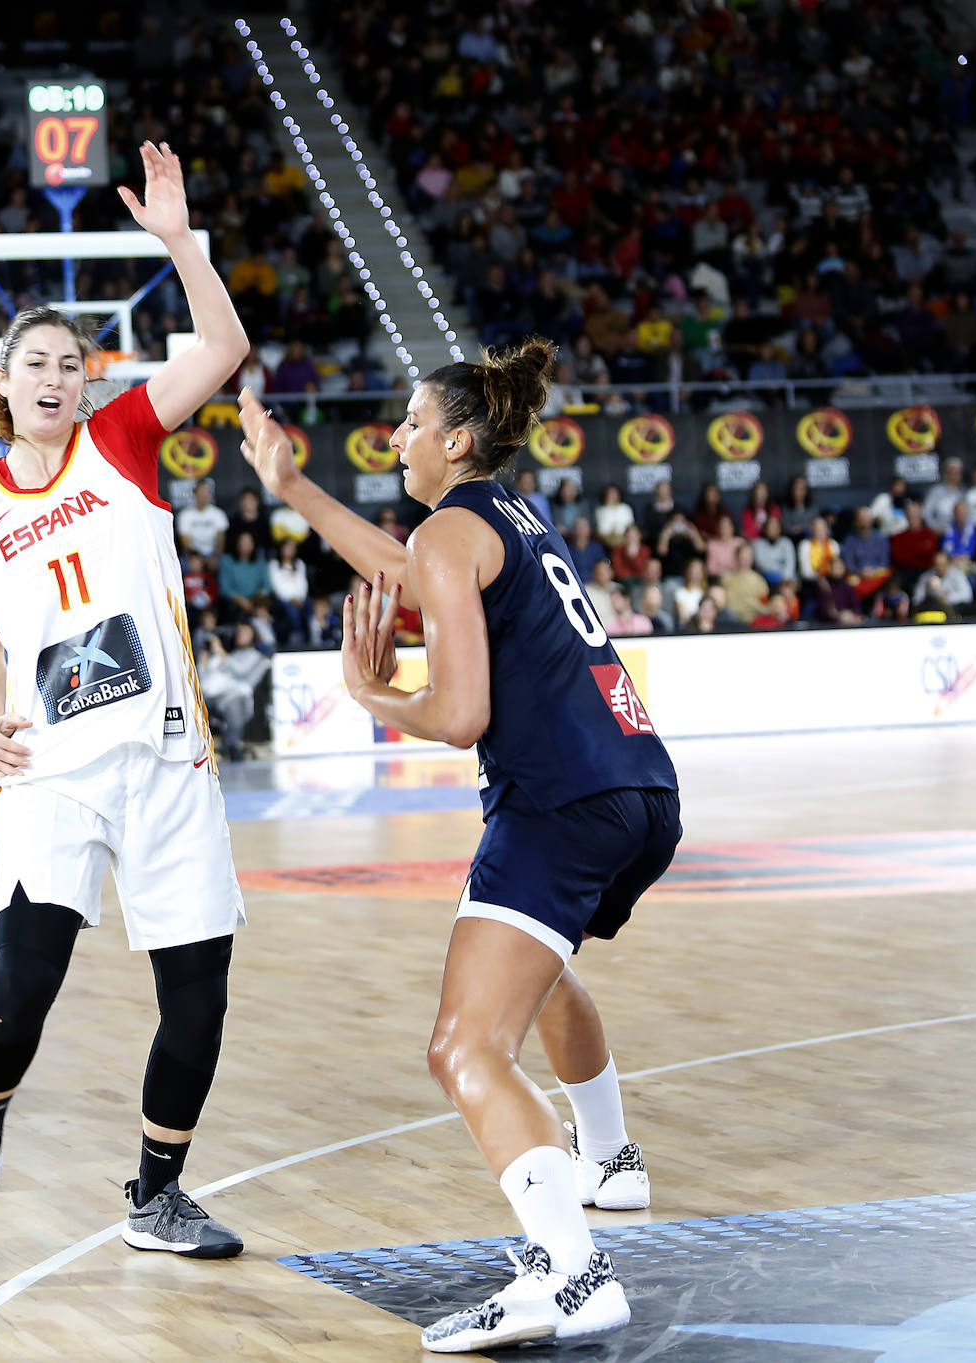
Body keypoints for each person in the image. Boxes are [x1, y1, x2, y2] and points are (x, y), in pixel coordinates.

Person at [238, 338, 679, 1351]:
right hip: (642, 786)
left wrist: (372, 695)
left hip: (557, 800)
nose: (396, 435)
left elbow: (464, 711)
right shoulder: (507, 517)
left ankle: (573, 1273)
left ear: (458, 439)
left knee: (464, 1045)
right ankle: (609, 1161)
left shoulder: (450, 529)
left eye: (410, 421)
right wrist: (294, 485)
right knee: (539, 971)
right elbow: (407, 569)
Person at [0, 143, 250, 1260]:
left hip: (166, 761)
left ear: (90, 382)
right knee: (25, 977)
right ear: (2, 380)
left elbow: (224, 345)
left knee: (198, 993)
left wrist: (178, 241)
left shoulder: (122, 441)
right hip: (52, 771)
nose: (59, 376)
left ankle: (157, 1195)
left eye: (75, 361)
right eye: (38, 362)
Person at [198, 620, 271, 761]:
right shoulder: (228, 655)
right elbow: (206, 679)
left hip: (239, 697)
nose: (241, 635)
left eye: (245, 632)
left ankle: (232, 746)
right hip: (214, 695)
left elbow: (241, 672)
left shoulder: (256, 656)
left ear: (253, 636)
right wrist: (202, 664)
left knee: (235, 702)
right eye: (239, 632)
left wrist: (223, 654)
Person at [175, 478, 229, 563]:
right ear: (194, 494)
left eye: (206, 492)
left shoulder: (219, 514)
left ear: (211, 495)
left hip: (214, 555)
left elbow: (220, 541)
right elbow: (185, 542)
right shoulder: (185, 515)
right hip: (192, 557)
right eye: (201, 492)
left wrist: (215, 557)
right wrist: (196, 558)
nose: (203, 495)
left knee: (225, 562)